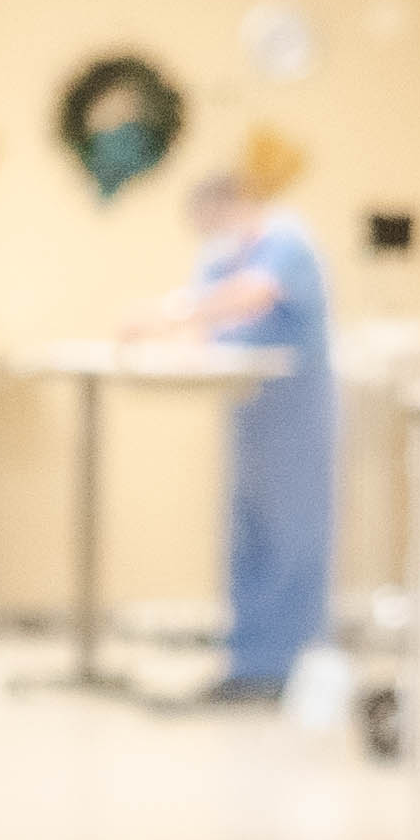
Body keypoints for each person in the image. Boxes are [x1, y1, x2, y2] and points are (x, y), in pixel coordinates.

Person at [135, 164, 337, 700]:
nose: (209, 238)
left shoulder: (287, 242)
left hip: (295, 420)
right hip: (251, 420)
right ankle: (249, 665)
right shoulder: (222, 258)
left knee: (292, 540)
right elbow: (210, 324)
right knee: (249, 540)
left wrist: (171, 313)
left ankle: (292, 670)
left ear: (237, 205)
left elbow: (251, 297)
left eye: (212, 223)